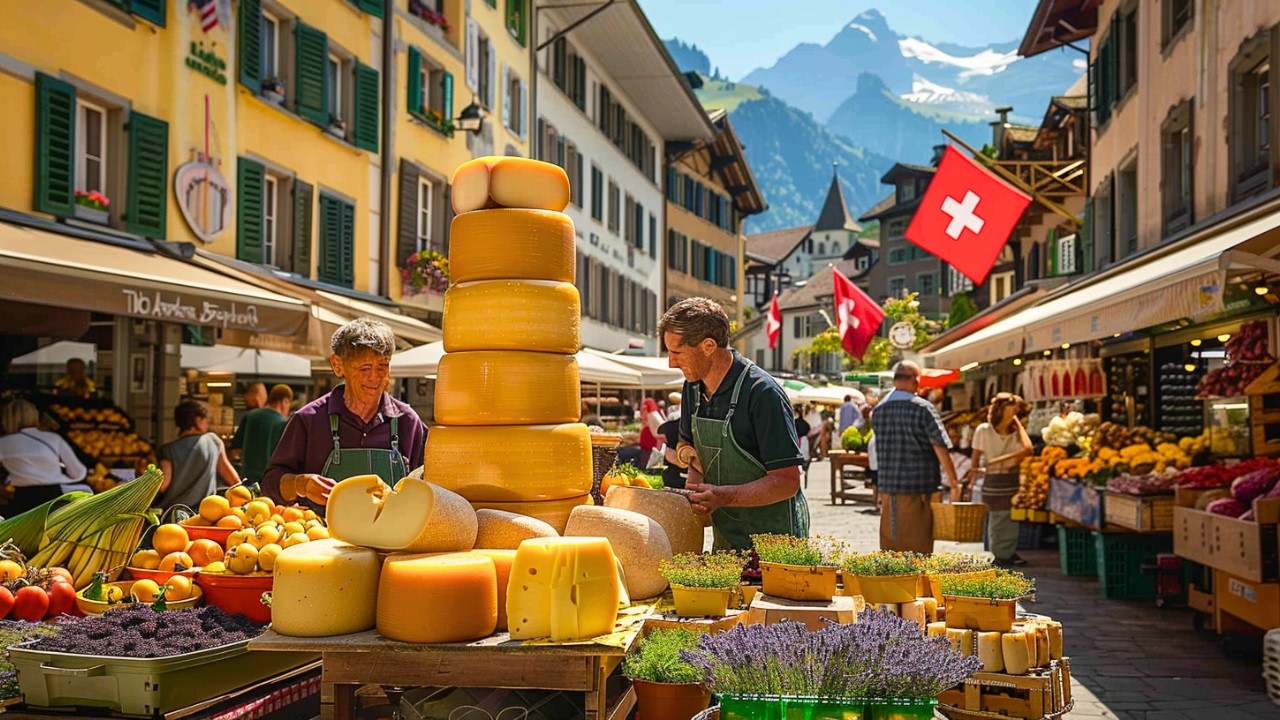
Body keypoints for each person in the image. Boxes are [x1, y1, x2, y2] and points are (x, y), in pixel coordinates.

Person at [661, 297, 808, 551]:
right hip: (727, 541)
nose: (671, 362)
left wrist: (724, 496)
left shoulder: (762, 393)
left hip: (777, 545)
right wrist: (695, 495)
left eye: (677, 352)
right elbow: (695, 456)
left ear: (708, 346)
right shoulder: (692, 388)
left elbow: (787, 481)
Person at [263, 318, 426, 507]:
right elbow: (270, 483)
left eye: (382, 366)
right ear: (337, 365)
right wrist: (301, 484)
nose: (375, 377)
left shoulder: (408, 421)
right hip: (324, 534)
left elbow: (426, 488)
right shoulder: (308, 420)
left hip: (393, 535)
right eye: (365, 368)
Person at [870, 361, 959, 554]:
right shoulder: (922, 408)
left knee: (892, 551)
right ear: (914, 380)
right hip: (919, 488)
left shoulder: (878, 410)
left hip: (888, 488)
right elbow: (940, 446)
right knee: (919, 551)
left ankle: (892, 583)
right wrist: (954, 483)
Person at [970, 393, 1033, 567]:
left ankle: (1008, 553)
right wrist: (974, 474)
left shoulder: (1016, 433)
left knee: (1011, 519)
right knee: (996, 518)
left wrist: (1017, 423)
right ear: (1001, 408)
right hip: (993, 481)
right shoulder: (983, 430)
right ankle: (997, 554)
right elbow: (975, 457)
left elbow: (1028, 448)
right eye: (1012, 405)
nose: (1016, 409)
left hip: (1011, 480)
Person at [0, 399, 87, 515]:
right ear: (34, 416)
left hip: (21, 499)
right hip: (53, 498)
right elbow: (78, 472)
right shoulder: (53, 439)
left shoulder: (3, 443)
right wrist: (58, 476)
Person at [157, 400, 240, 510]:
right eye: (205, 419)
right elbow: (234, 481)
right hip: (205, 513)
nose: (206, 424)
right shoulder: (213, 441)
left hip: (173, 513)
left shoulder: (168, 450)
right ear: (198, 420)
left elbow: (163, 485)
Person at [236, 384, 294, 484]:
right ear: (285, 401)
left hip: (247, 479)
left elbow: (236, 450)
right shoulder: (283, 423)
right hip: (268, 482)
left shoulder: (250, 416)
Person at [639, 397, 664, 467]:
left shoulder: (652, 415)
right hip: (648, 445)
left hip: (650, 445)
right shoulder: (654, 415)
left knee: (647, 463)